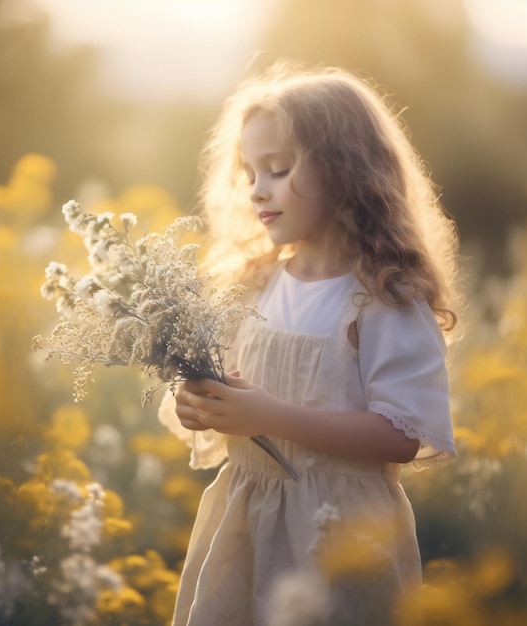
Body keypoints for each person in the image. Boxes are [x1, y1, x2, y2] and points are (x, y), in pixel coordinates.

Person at [158, 61, 461, 626]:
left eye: (276, 169)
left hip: (342, 535)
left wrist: (269, 415)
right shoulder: (252, 284)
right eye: (249, 173)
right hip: (246, 520)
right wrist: (198, 402)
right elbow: (224, 390)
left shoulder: (383, 297)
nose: (257, 190)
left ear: (347, 172)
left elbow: (400, 435)